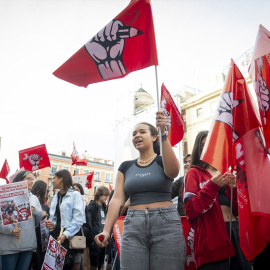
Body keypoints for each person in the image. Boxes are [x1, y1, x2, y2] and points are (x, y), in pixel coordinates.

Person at [95, 111, 186, 270]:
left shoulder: (162, 160)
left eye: (142, 132)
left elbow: (173, 172)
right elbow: (117, 199)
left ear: (153, 137)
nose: (137, 135)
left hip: (166, 225)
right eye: (134, 133)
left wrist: (163, 131)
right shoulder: (125, 167)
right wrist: (106, 230)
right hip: (133, 225)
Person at [183, 130, 252, 270]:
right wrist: (213, 185)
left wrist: (233, 189)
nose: (210, 146)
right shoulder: (193, 173)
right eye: (205, 144)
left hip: (236, 231)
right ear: (198, 148)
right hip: (211, 237)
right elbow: (190, 209)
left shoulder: (227, 171)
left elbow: (240, 209)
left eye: (214, 142)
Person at [0, 170, 43, 270]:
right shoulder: (4, 197)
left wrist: (35, 210)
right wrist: (10, 230)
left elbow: (37, 222)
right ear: (20, 180)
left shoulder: (34, 198)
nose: (32, 181)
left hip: (28, 245)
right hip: (9, 247)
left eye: (33, 179)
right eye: (29, 179)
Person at [45, 169, 85, 270]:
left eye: (54, 178)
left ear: (61, 179)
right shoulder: (56, 196)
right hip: (55, 236)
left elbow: (78, 219)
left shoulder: (75, 195)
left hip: (68, 238)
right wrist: (52, 224)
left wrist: (65, 234)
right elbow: (55, 217)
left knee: (66, 266)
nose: (53, 181)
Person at [85, 186, 110, 270]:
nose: (106, 197)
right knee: (93, 264)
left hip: (103, 239)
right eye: (105, 195)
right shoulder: (91, 207)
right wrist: (92, 240)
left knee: (102, 264)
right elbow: (88, 225)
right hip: (94, 240)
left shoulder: (104, 207)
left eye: (107, 195)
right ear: (99, 195)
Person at [30, 180, 50, 270]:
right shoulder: (31, 202)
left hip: (41, 240)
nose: (47, 192)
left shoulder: (45, 207)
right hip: (34, 237)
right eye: (46, 190)